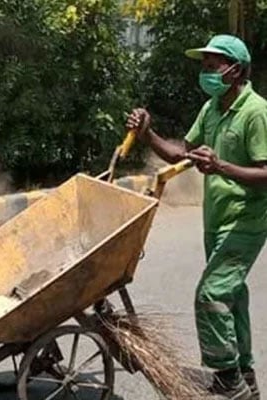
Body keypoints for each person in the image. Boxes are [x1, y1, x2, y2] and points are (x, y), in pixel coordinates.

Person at [127, 34, 267, 400]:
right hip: (216, 219)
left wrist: (220, 165)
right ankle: (245, 372)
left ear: (236, 70)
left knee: (211, 294)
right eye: (203, 66)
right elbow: (179, 156)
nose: (205, 72)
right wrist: (147, 133)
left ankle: (229, 381)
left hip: (247, 220)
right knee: (230, 297)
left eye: (212, 65)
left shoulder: (256, 112)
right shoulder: (213, 108)